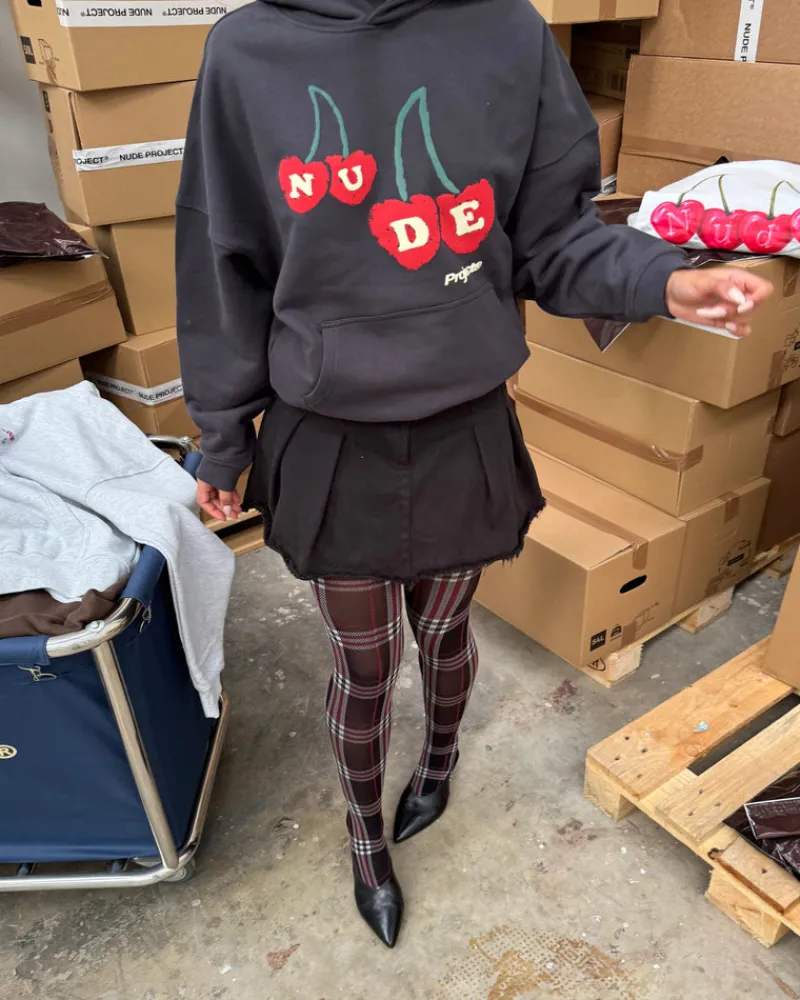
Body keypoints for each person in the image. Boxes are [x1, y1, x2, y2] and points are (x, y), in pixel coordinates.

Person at [176, 0, 773, 948]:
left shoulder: (507, 32)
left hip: (462, 423)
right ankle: (366, 841)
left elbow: (553, 237)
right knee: (364, 666)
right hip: (330, 433)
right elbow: (222, 260)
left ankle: (438, 766)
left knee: (445, 630)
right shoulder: (249, 51)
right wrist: (220, 437)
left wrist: (663, 279)